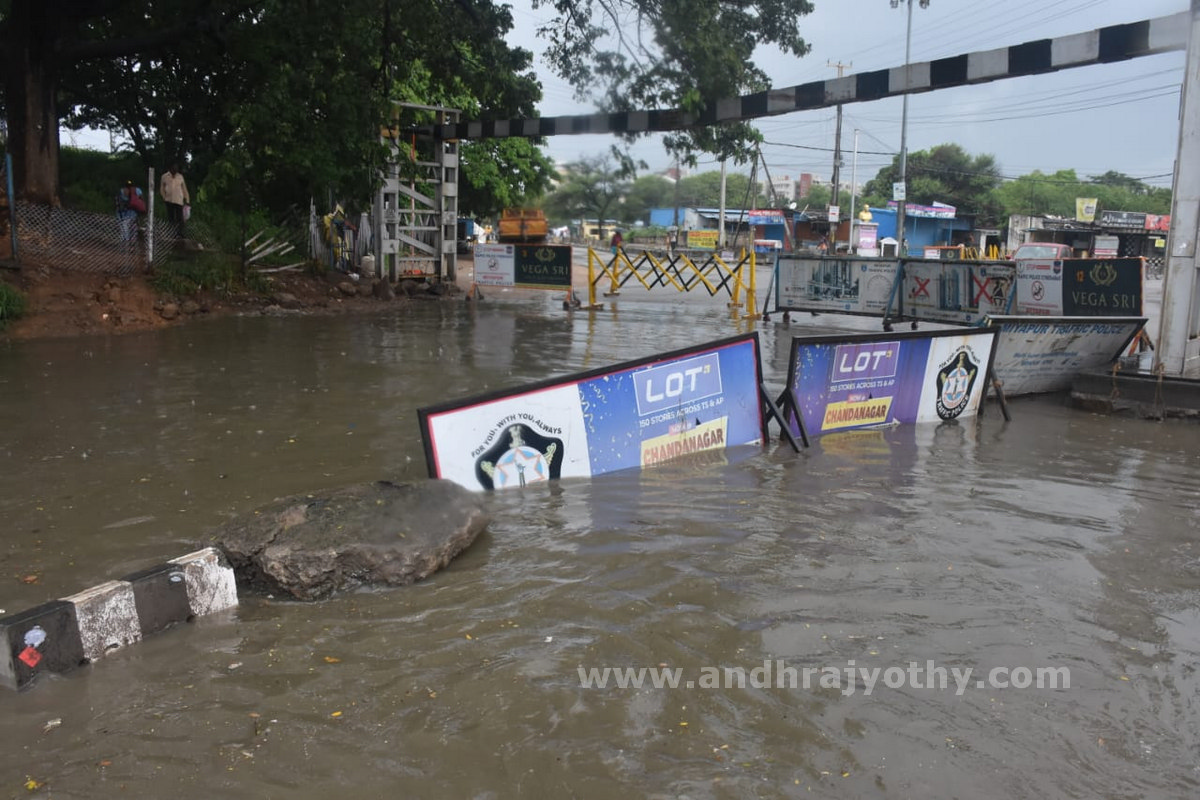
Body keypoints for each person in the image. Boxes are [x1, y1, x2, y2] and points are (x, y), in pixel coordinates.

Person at [160, 163, 190, 238]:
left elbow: (184, 189)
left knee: (180, 218)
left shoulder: (180, 177)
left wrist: (187, 199)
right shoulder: (164, 176)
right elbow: (162, 188)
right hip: (169, 200)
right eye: (173, 169)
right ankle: (172, 233)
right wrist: (164, 197)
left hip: (179, 200)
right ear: (170, 169)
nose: (175, 170)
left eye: (176, 169)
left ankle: (180, 233)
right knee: (171, 217)